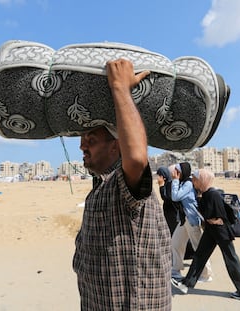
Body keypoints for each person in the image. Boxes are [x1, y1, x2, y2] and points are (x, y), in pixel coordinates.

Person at [72, 59, 172, 310]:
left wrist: (119, 88)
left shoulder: (124, 184)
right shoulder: (101, 186)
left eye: (91, 140)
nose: (82, 146)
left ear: (116, 146)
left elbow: (137, 157)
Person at [172, 169, 240, 300]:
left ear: (202, 180)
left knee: (231, 259)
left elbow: (217, 217)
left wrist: (207, 217)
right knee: (199, 256)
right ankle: (187, 284)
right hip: (212, 231)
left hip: (221, 232)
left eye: (195, 180)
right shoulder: (205, 194)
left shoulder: (212, 194)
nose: (193, 182)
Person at [170, 162, 212, 281]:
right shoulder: (184, 182)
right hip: (184, 220)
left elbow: (175, 196)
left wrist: (175, 180)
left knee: (198, 247)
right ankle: (175, 270)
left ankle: (206, 274)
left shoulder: (188, 183)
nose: (175, 174)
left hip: (192, 219)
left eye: (177, 172)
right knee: (176, 243)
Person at [157, 165, 179, 234]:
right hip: (169, 213)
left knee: (174, 232)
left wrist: (161, 186)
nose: (157, 178)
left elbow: (166, 198)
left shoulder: (170, 184)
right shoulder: (168, 184)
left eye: (159, 175)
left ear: (163, 176)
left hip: (172, 213)